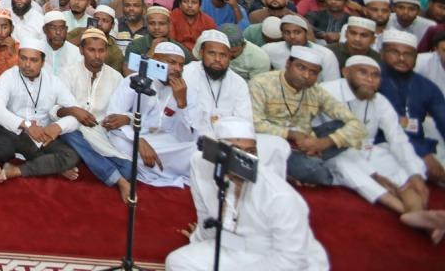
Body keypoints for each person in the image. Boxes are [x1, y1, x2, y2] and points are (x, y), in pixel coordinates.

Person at [164, 118, 329, 271]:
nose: (244, 160)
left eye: (250, 151)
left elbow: (291, 259)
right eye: (236, 151)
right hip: (233, 249)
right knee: (178, 262)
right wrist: (200, 240)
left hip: (275, 257)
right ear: (219, 153)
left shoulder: (278, 195)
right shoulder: (200, 165)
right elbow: (205, 216)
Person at [319, 55, 430, 215]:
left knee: (401, 165)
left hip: (368, 149)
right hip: (334, 152)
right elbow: (336, 143)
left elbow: (397, 137)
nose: (370, 79)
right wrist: (374, 175)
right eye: (363, 72)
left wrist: (415, 174)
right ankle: (404, 211)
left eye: (375, 75)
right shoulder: (326, 92)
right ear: (346, 72)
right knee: (346, 167)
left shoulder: (379, 100)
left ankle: (418, 212)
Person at [249, 46, 366, 185]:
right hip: (274, 145)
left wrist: (322, 143)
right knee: (316, 171)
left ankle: (306, 161)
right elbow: (254, 123)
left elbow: (358, 125)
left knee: (344, 126)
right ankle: (309, 165)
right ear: (288, 64)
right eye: (301, 68)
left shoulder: (316, 91)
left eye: (313, 72)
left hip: (307, 142)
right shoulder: (261, 83)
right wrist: (291, 134)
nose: (306, 76)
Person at [0, 35, 82, 183]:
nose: (27, 64)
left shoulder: (53, 81)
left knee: (72, 156)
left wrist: (57, 127)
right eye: (23, 58)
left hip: (42, 134)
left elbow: (74, 112)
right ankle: (54, 166)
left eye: (33, 60)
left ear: (43, 62)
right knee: (12, 146)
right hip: (14, 132)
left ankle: (17, 170)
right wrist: (26, 125)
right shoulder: (8, 77)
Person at [102, 42, 198, 188]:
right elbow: (111, 119)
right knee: (121, 146)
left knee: (195, 151)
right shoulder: (135, 80)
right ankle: (162, 166)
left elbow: (185, 137)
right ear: (156, 60)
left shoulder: (182, 90)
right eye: (172, 62)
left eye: (181, 65)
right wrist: (138, 140)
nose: (178, 69)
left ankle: (151, 166)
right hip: (130, 139)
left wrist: (182, 103)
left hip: (162, 141)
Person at [59, 27, 131, 200]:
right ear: (81, 50)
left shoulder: (116, 77)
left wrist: (122, 119)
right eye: (91, 50)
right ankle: (118, 180)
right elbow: (55, 110)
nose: (97, 55)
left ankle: (85, 159)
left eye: (101, 50)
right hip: (74, 130)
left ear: (107, 51)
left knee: (128, 169)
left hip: (102, 134)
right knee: (69, 133)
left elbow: (127, 111)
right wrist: (74, 111)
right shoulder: (67, 73)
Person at [378, 30, 445, 185]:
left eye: (408, 54)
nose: (402, 58)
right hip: (380, 142)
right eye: (395, 52)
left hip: (417, 141)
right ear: (382, 53)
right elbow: (386, 128)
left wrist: (424, 153)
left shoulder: (427, 87)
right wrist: (423, 154)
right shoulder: (372, 79)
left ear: (416, 57)